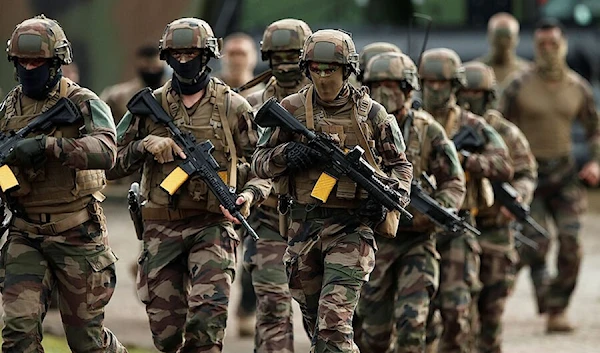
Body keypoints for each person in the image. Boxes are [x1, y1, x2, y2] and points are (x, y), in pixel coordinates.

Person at [108, 18, 271, 352]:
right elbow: (111, 162)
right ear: (167, 57)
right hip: (161, 227)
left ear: (207, 55)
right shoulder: (147, 106)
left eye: (192, 53)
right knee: (166, 336)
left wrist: (250, 194)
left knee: (207, 324)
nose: (184, 61)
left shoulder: (233, 106)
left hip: (213, 226)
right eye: (177, 53)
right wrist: (144, 145)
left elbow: (263, 165)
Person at [252, 29, 413, 353]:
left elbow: (401, 167)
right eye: (316, 69)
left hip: (351, 231)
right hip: (303, 230)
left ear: (347, 69)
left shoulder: (373, 114)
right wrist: (290, 155)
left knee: (334, 327)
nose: (323, 76)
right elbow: (259, 161)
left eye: (331, 69)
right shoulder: (291, 109)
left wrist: (388, 200)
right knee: (317, 327)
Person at [0, 15, 127, 353]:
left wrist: (50, 147)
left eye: (37, 61)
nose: (29, 68)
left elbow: (107, 151)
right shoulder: (9, 107)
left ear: (56, 62)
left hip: (77, 234)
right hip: (25, 233)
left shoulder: (82, 101)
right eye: (22, 61)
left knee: (86, 342)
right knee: (17, 335)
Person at [355, 52, 466, 353]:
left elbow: (454, 182)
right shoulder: (356, 128)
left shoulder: (428, 130)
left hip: (417, 241)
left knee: (412, 324)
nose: (384, 93)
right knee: (371, 334)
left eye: (392, 85)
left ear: (408, 89)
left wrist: (435, 211)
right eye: (376, 85)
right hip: (372, 243)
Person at [498, 19, 600, 333]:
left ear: (563, 44)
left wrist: (595, 162)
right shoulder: (518, 85)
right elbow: (497, 127)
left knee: (571, 244)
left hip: (565, 176)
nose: (548, 50)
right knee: (534, 243)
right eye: (542, 44)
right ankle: (519, 296)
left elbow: (594, 129)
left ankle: (557, 308)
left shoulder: (577, 87)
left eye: (553, 43)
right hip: (530, 177)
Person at [419, 48, 513, 353]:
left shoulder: (471, 125)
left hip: (458, 227)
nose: (435, 89)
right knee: (415, 313)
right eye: (429, 83)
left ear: (454, 86)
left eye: (442, 83)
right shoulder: (409, 122)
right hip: (417, 228)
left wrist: (464, 161)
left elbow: (503, 164)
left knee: (457, 310)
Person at [242, 18, 313, 353]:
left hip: (318, 222)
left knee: (324, 319)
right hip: (268, 220)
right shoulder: (249, 106)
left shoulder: (329, 104)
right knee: (272, 309)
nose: (285, 65)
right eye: (278, 57)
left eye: (293, 56)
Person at [457, 61, 537, 353]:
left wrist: (518, 198)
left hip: (494, 232)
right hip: (456, 229)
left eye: (476, 92)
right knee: (457, 314)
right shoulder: (445, 126)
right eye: (464, 91)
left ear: (489, 95)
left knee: (491, 314)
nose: (469, 98)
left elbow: (527, 173)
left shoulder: (504, 132)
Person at [101, 44, 167, 124]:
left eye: (155, 68)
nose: (151, 71)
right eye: (146, 68)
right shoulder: (117, 96)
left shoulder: (173, 92)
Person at [476, 12, 531, 91]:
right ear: (490, 37)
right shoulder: (477, 71)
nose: (503, 42)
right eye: (499, 36)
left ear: (516, 39)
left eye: (507, 36)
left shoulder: (527, 73)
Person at [218, 32, 263, 97]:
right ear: (221, 56)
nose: (237, 60)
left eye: (242, 54)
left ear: (253, 57)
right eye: (232, 54)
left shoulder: (264, 94)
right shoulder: (208, 90)